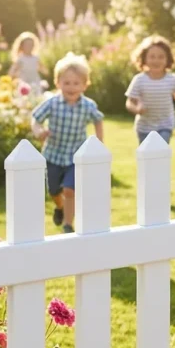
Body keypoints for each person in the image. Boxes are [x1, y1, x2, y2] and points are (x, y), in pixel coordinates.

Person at [31, 53, 104, 234]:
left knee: (70, 190)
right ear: (58, 83)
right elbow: (36, 119)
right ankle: (60, 206)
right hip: (53, 155)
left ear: (85, 85)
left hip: (75, 156)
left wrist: (99, 142)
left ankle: (68, 224)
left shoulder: (88, 105)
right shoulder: (52, 103)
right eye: (67, 83)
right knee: (54, 190)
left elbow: (98, 120)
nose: (71, 87)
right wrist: (39, 131)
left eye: (76, 83)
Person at [125, 35, 175, 144]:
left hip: (165, 125)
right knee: (147, 153)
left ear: (168, 59)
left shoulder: (171, 79)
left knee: (161, 148)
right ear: (144, 58)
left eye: (161, 57)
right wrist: (136, 109)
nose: (156, 60)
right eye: (152, 57)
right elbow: (129, 102)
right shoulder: (139, 80)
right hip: (144, 127)